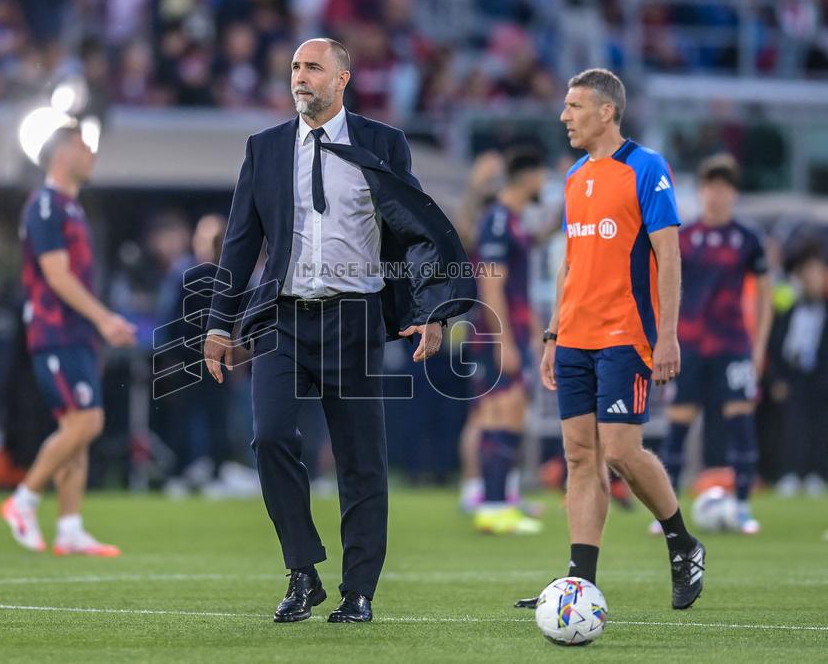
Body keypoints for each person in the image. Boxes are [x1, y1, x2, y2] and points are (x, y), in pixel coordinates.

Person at [201, 38, 474, 623]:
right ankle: (302, 573)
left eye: (313, 67)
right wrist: (219, 322)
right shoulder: (265, 148)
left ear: (342, 78)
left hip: (355, 316)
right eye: (295, 66)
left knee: (360, 460)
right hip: (282, 315)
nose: (300, 76)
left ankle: (358, 590)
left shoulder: (382, 143)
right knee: (271, 437)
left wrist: (427, 308)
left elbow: (409, 228)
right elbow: (240, 241)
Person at [516, 68, 705, 611]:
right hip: (575, 334)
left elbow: (668, 255)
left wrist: (666, 334)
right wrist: (553, 332)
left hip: (626, 334)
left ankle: (681, 542)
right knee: (579, 457)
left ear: (606, 111)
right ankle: (580, 582)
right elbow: (570, 261)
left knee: (621, 450)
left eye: (574, 106)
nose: (564, 116)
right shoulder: (574, 176)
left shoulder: (647, 168)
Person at [1, 108, 136, 556]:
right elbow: (55, 276)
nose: (92, 152)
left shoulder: (72, 206)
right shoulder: (46, 203)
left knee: (75, 430)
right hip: (56, 333)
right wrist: (104, 318)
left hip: (76, 334)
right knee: (88, 421)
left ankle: (70, 527)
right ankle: (24, 498)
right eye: (83, 144)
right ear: (61, 151)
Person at [655, 154, 772, 535]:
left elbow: (765, 296)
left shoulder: (748, 239)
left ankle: (741, 505)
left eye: (723, 188)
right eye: (709, 187)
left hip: (732, 344)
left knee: (740, 421)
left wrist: (758, 347)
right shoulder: (684, 238)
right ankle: (666, 513)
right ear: (701, 191)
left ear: (733, 193)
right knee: (678, 425)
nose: (715, 195)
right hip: (688, 345)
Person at [468, 148, 546, 535]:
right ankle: (494, 505)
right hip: (497, 335)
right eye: (542, 175)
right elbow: (491, 283)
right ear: (529, 176)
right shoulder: (498, 220)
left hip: (511, 332)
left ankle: (499, 502)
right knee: (501, 412)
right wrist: (505, 341)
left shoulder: (513, 221)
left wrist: (532, 334)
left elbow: (517, 288)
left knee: (508, 412)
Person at [767, 241, 828, 496]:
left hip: (821, 376)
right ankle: (790, 472)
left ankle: (818, 473)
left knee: (821, 425)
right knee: (792, 425)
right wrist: (777, 378)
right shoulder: (789, 308)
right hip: (794, 376)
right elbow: (776, 344)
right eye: (808, 272)